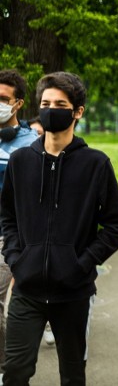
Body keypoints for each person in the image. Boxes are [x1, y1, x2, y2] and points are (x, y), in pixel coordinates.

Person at [0, 71, 118, 385]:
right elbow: (8, 218)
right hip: (27, 290)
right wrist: (17, 258)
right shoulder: (20, 161)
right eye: (45, 103)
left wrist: (82, 263)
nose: (50, 108)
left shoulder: (95, 164)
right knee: (15, 370)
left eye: (60, 103)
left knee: (72, 375)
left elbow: (115, 225)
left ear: (78, 111)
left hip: (74, 293)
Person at [0, 70, 40, 370]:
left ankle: (5, 366)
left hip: (7, 235)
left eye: (3, 99)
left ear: (18, 104)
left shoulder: (31, 143)